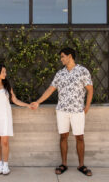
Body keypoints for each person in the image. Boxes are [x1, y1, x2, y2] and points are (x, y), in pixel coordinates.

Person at [31, 47, 94, 176]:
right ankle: (64, 164)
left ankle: (81, 165)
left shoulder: (83, 71)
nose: (61, 59)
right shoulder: (60, 74)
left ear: (70, 56)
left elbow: (90, 89)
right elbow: (50, 89)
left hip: (77, 110)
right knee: (63, 137)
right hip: (62, 111)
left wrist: (87, 106)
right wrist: (38, 102)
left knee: (80, 137)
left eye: (62, 56)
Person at [0, 64, 31, 175]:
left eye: (5, 71)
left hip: (5, 117)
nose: (5, 74)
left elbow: (15, 100)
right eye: (3, 72)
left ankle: (6, 165)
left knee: (5, 142)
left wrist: (27, 105)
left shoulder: (7, 87)